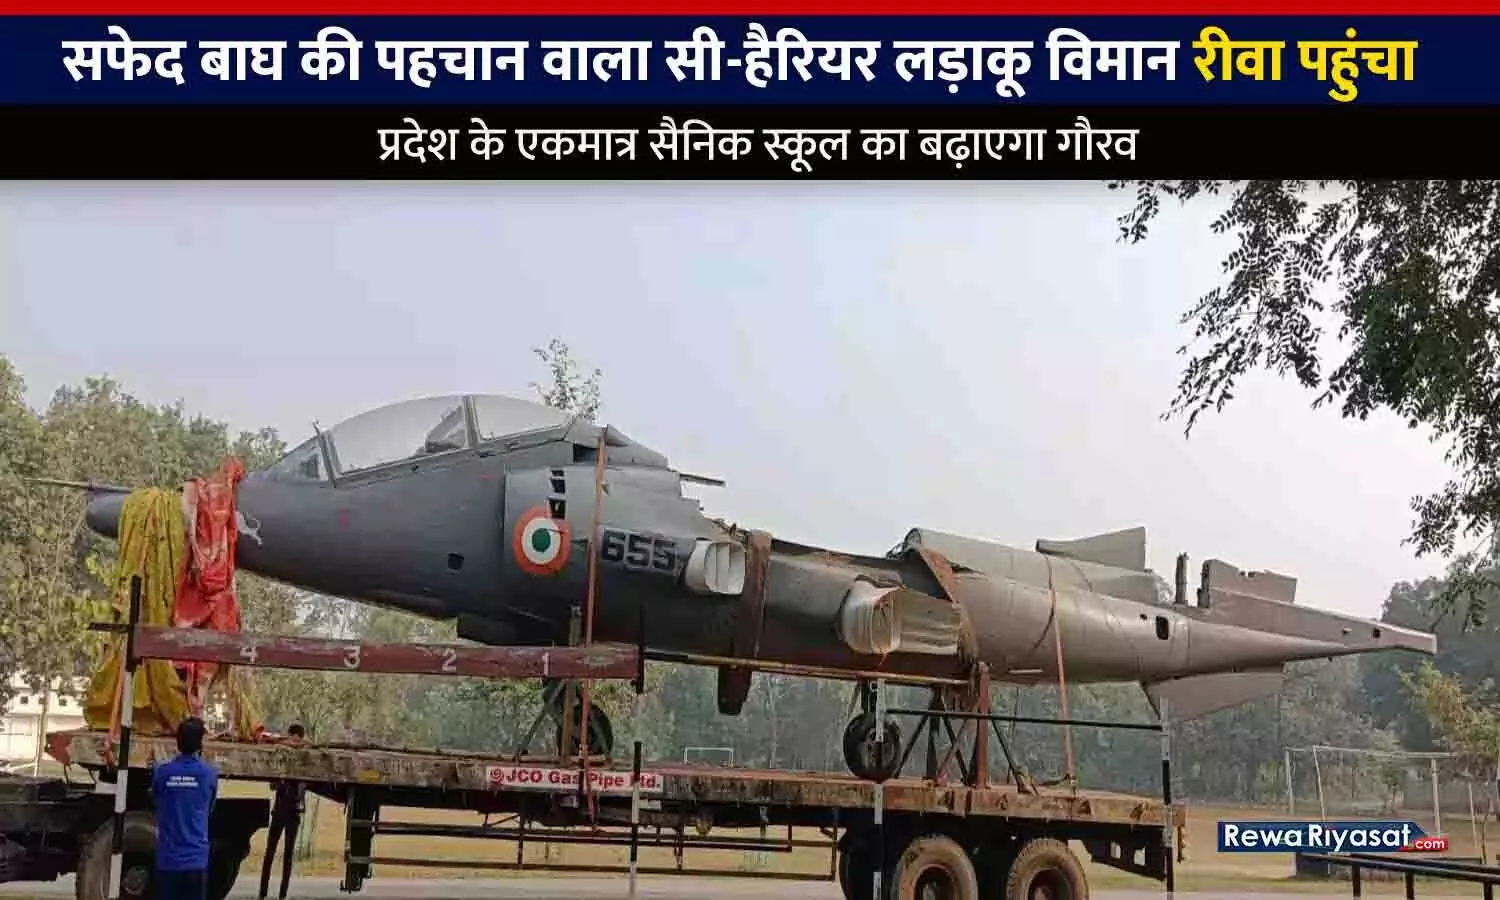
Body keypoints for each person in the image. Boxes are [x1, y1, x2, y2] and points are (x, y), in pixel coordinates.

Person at [152, 717, 219, 900]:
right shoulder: (210, 774)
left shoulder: (161, 772)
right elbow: (209, 808)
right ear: (200, 744)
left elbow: (157, 802)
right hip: (196, 861)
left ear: (178, 742)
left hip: (168, 861)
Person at [259, 724, 307, 900]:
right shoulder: (283, 758)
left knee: (286, 855)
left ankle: (281, 894)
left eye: (295, 739)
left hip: (290, 813)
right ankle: (264, 892)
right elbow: (273, 785)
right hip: (282, 812)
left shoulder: (304, 759)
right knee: (270, 853)